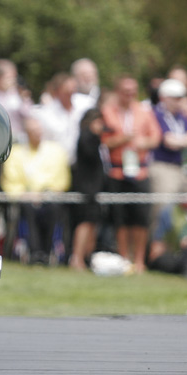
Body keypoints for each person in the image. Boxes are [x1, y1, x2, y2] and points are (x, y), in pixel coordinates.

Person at [101, 75, 162, 272]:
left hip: (140, 171)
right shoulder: (108, 112)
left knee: (140, 218)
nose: (130, 95)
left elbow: (155, 138)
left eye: (133, 92)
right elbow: (104, 141)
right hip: (117, 171)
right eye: (126, 92)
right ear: (118, 92)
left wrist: (142, 142)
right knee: (121, 218)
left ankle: (139, 260)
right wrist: (124, 139)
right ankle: (124, 258)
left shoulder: (144, 112)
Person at [0, 115, 71, 264]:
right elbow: (10, 180)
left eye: (38, 130)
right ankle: (34, 252)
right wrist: (26, 194)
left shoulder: (55, 151)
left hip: (49, 196)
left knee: (52, 209)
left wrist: (46, 192)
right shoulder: (16, 153)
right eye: (33, 131)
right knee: (28, 210)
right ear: (26, 133)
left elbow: (61, 178)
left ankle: (48, 251)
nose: (37, 134)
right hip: (26, 198)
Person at [148, 78, 187, 204]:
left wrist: (179, 141)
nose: (179, 102)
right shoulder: (156, 114)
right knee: (164, 204)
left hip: (180, 166)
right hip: (161, 166)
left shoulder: (180, 116)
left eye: (181, 98)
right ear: (163, 98)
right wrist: (185, 141)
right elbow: (169, 141)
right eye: (176, 98)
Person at [68, 107, 108, 271]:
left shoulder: (91, 138)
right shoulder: (87, 137)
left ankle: (86, 257)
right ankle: (77, 258)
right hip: (86, 187)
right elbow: (89, 156)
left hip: (94, 187)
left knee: (92, 222)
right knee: (84, 221)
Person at [36, 72, 89, 164]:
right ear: (57, 91)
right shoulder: (46, 113)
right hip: (56, 162)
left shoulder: (86, 105)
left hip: (82, 162)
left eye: (72, 90)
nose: (70, 95)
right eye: (66, 92)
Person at [0, 58, 32, 142]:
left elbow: (29, 115)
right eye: (10, 77)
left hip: (17, 141)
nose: (13, 81)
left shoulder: (17, 94)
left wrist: (24, 99)